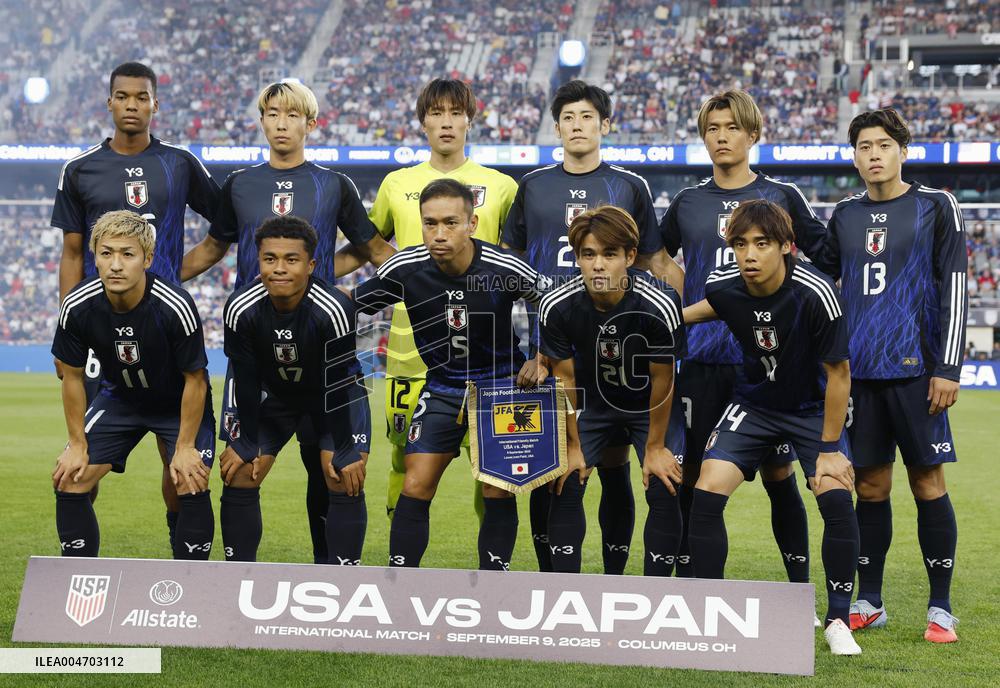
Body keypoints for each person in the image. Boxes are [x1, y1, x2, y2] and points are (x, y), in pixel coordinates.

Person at [181, 80, 393, 564]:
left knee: (334, 471)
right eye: (273, 113)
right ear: (262, 121)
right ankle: (238, 577)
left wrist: (424, 282)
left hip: (321, 343)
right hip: (256, 348)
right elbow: (214, 248)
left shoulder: (333, 184)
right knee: (239, 465)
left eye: (292, 115)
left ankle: (335, 575)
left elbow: (373, 251)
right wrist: (155, 280)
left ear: (310, 123)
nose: (282, 123)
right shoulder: (239, 183)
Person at [502, 79, 676, 574]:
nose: (578, 126)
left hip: (622, 355)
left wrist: (689, 317)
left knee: (619, 468)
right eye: (568, 118)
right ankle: (552, 577)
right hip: (551, 351)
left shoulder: (630, 186)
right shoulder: (532, 186)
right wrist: (531, 351)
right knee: (551, 470)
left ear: (605, 124)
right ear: (556, 128)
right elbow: (511, 267)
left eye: (587, 117)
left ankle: (619, 578)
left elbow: (655, 264)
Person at [659, 90, 828, 586]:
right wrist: (682, 293)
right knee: (693, 476)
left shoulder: (782, 196)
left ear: (752, 134)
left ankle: (799, 587)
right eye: (712, 128)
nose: (721, 137)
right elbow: (655, 255)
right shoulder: (688, 202)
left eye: (731, 127)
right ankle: (697, 585)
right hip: (704, 363)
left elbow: (824, 257)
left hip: (767, 365)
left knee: (780, 479)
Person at [51, 61, 220, 548]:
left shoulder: (181, 163)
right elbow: (73, 252)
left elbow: (223, 230)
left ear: (154, 104)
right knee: (78, 469)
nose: (131, 105)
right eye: (122, 96)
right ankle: (79, 582)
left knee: (181, 479)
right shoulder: (80, 169)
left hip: (164, 333)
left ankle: (188, 584)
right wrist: (77, 322)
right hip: (106, 341)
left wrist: (168, 275)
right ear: (110, 102)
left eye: (141, 97)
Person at [813, 109, 967, 643]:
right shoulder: (844, 215)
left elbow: (956, 286)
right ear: (854, 156)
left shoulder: (934, 205)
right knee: (871, 488)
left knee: (928, 482)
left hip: (917, 374)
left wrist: (947, 366)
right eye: (862, 147)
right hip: (859, 378)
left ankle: (940, 607)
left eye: (882, 145)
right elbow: (819, 279)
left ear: (903, 149)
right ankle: (870, 599)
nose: (873, 154)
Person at [682, 200, 862, 656]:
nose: (749, 254)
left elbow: (839, 375)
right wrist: (659, 315)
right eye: (740, 244)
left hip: (811, 407)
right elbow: (708, 308)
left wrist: (829, 448)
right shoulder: (725, 286)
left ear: (787, 246)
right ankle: (710, 611)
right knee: (706, 491)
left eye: (761, 244)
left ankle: (838, 619)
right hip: (754, 405)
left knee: (834, 494)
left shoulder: (816, 293)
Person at [335, 78, 518, 523]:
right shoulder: (398, 184)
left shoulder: (503, 187)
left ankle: (493, 568)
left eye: (455, 113)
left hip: (485, 351)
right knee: (403, 456)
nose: (446, 122)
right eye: (436, 113)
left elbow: (515, 261)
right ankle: (403, 560)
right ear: (423, 123)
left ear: (470, 119)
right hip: (408, 347)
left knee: (491, 465)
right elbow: (367, 246)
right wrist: (312, 279)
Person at [352, 179, 549, 570]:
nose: (439, 234)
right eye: (430, 223)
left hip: (502, 388)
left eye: (450, 223)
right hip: (441, 388)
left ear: (472, 223)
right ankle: (400, 579)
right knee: (415, 483)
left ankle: (495, 579)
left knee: (496, 490)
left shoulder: (502, 266)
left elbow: (548, 301)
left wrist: (541, 356)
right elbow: (352, 305)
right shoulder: (403, 268)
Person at [51, 210, 215, 560]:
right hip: (120, 399)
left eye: (128, 254)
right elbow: (73, 377)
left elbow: (196, 380)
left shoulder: (175, 305)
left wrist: (185, 445)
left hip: (176, 403)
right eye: (106, 253)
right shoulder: (78, 305)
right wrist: (77, 444)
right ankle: (76, 578)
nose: (115, 265)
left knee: (189, 478)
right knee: (70, 476)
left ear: (148, 259)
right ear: (95, 256)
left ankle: (191, 580)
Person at [539, 206, 686, 575]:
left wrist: (654, 447)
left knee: (664, 482)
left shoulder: (661, 303)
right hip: (592, 403)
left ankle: (654, 594)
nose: (598, 265)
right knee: (565, 479)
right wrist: (573, 447)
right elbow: (565, 380)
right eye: (588, 255)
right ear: (578, 258)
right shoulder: (557, 305)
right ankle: (565, 591)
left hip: (646, 406)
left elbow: (663, 380)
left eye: (609, 254)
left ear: (630, 257)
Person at [219, 216, 368, 564]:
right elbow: (246, 377)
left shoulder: (334, 307)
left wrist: (345, 447)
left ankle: (342, 576)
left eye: (291, 259)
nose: (279, 269)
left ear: (311, 264)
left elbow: (340, 378)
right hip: (277, 397)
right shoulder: (240, 307)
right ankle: (237, 577)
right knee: (240, 472)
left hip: (334, 395)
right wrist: (246, 439)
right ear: (258, 262)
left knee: (340, 474)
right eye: (270, 259)